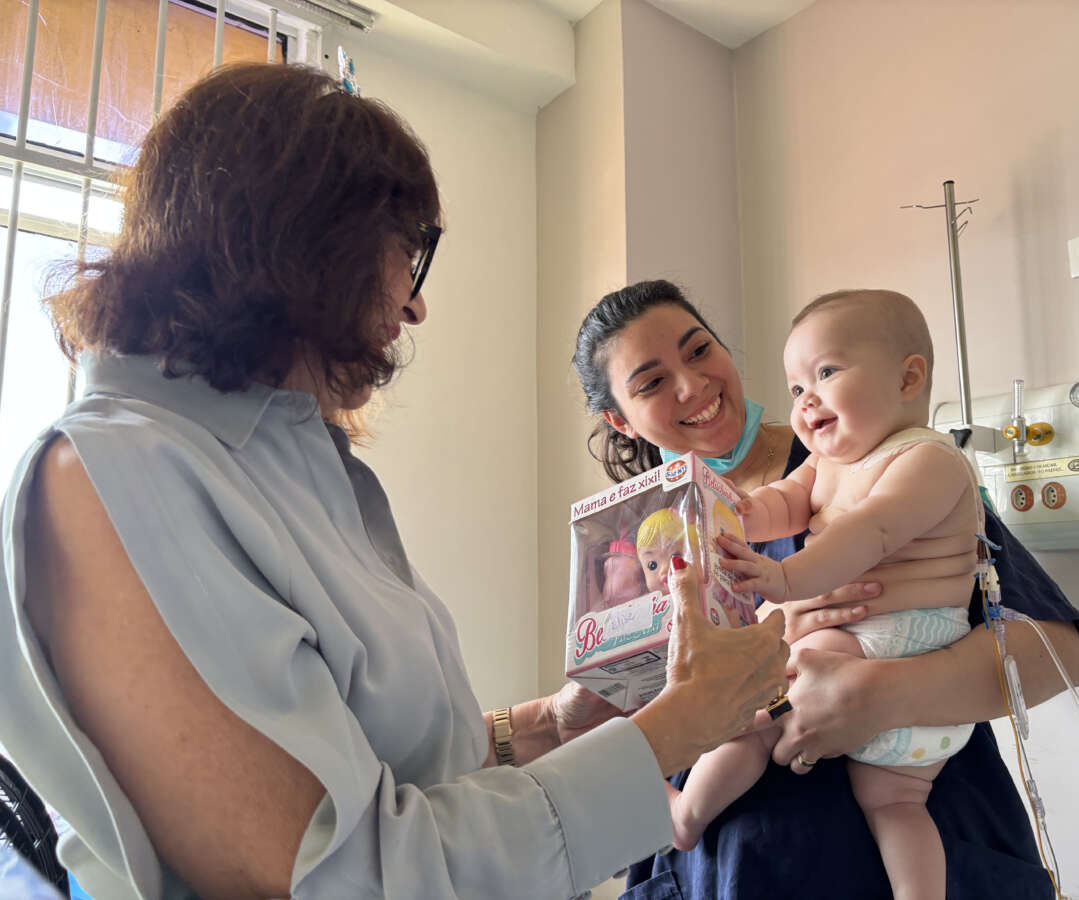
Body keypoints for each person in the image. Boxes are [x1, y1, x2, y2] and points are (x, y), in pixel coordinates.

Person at [0, 65, 792, 900]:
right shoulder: (109, 479)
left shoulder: (297, 468)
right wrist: (671, 732)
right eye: (405, 257)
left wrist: (545, 727)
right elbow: (340, 878)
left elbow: (398, 762)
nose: (413, 310)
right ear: (307, 248)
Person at [572, 279, 1079, 900]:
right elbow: (635, 709)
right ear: (618, 419)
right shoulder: (632, 544)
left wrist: (881, 694)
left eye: (698, 350)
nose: (692, 385)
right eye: (651, 382)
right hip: (721, 865)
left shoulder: (867, 452)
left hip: (894, 844)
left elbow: (1060, 652)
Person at [669, 289, 987, 900]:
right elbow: (780, 506)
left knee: (752, 717)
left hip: (898, 642)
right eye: (795, 388)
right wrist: (730, 513)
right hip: (892, 688)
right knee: (895, 805)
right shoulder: (823, 461)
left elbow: (870, 533)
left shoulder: (928, 458)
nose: (806, 398)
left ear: (908, 377)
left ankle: (686, 816)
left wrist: (785, 582)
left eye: (827, 372)